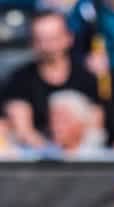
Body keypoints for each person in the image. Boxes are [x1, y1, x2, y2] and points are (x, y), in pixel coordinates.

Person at [1, 10, 101, 148]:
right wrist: (50, 153)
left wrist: (74, 153)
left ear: (69, 38)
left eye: (53, 38)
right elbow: (23, 131)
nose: (47, 46)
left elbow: (95, 128)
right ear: (32, 42)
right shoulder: (19, 80)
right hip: (36, 155)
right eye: (40, 39)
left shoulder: (87, 78)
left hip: (81, 155)